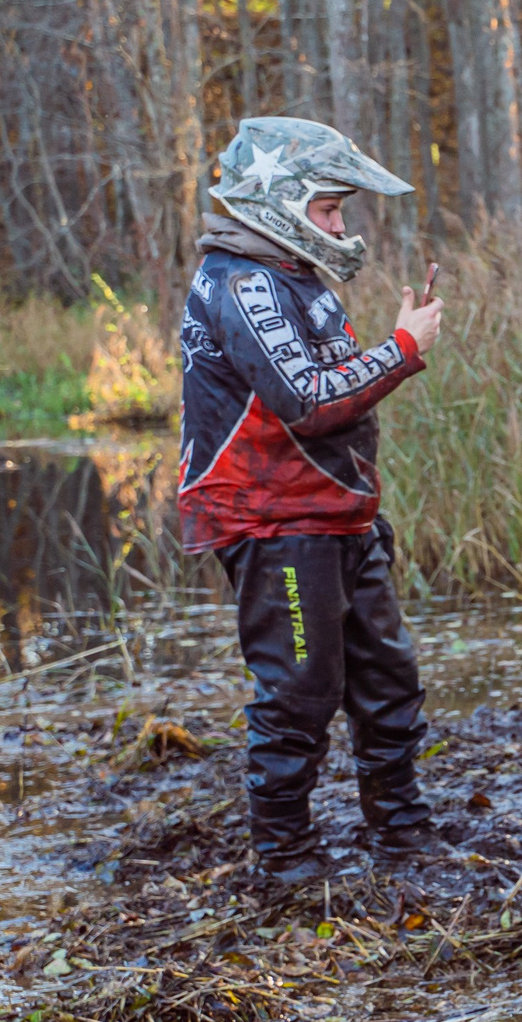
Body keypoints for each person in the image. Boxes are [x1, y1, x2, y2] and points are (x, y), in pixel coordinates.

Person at [179, 117, 443, 887]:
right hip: (276, 522)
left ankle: (402, 833)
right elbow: (305, 400)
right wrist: (403, 349)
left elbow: (330, 389)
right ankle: (287, 862)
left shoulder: (294, 277)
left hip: (339, 515)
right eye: (328, 209)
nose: (339, 225)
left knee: (388, 680)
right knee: (299, 693)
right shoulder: (243, 281)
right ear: (281, 202)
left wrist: (391, 349)